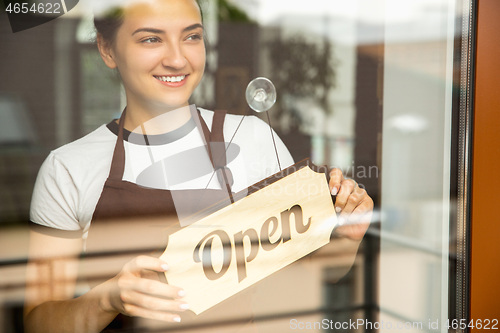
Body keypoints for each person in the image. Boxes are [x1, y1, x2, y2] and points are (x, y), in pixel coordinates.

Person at [24, 0, 373, 332]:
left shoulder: (252, 139)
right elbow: (39, 322)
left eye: (192, 36)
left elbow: (316, 270)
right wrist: (107, 300)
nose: (177, 59)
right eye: (151, 39)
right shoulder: (68, 168)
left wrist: (344, 235)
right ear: (107, 49)